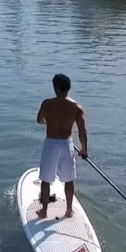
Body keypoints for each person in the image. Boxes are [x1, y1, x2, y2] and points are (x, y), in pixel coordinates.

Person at [35, 73, 89, 219]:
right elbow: (82, 131)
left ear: (57, 88)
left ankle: (44, 210)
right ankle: (69, 209)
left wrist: (49, 122)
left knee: (46, 179)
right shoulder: (76, 107)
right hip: (66, 143)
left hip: (51, 143)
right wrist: (84, 149)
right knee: (68, 179)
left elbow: (40, 120)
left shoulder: (47, 103)